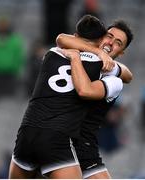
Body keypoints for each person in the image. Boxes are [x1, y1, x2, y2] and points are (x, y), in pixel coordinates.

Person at [9, 15, 116, 179]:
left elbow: (61, 39)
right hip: (56, 138)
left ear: (75, 35)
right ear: (101, 39)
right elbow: (126, 74)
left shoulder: (52, 53)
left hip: (26, 134)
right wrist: (102, 53)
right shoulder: (102, 66)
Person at [56, 19, 133, 178]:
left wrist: (115, 66)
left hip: (84, 147)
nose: (111, 43)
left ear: (121, 52)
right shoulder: (75, 53)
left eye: (118, 43)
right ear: (100, 37)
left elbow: (127, 75)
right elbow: (61, 38)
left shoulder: (113, 76)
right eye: (109, 36)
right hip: (58, 142)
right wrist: (97, 52)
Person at [0, 16, 25, 99]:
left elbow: (19, 56)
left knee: (9, 99)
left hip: (11, 74)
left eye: (4, 24)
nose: (2, 26)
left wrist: (16, 69)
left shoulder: (15, 40)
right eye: (1, 24)